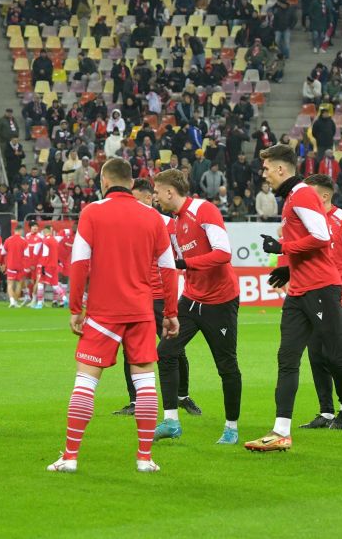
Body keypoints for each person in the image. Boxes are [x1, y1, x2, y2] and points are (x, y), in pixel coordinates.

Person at [244, 144, 342, 454]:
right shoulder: (294, 197)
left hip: (320, 289)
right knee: (287, 357)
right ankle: (281, 431)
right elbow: (311, 242)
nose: (264, 175)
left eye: (267, 169)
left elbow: (321, 237)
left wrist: (283, 249)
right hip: (300, 290)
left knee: (341, 355)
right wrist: (289, 268)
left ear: (280, 169)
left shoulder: (302, 194)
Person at [46, 158, 179, 474]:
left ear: (104, 182)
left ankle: (70, 456)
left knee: (85, 383)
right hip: (141, 312)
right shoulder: (153, 218)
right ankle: (145, 459)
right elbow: (168, 269)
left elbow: (79, 263)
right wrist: (171, 312)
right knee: (145, 383)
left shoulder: (92, 212)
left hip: (103, 313)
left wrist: (76, 308)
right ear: (132, 184)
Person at [150, 169, 242, 445]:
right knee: (165, 352)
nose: (155, 198)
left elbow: (224, 253)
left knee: (226, 366)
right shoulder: (174, 224)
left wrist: (187, 264)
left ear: (170, 191)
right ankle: (171, 421)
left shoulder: (204, 210)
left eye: (157, 192)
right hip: (191, 299)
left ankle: (231, 427)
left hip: (220, 301)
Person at [114, 179, 196, 417]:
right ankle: (135, 401)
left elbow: (176, 259)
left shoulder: (169, 224)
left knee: (174, 347)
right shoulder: (126, 224)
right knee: (131, 349)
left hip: (161, 295)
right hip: (135, 295)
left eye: (136, 199)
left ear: (150, 198)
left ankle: (183, 396)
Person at [297, 174, 342, 431]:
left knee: (336, 356)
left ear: (324, 195)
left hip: (336, 298)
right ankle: (326, 411)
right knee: (316, 356)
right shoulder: (306, 220)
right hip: (310, 296)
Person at [2, 223, 29, 308]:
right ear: (21, 231)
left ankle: (12, 301)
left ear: (14, 231)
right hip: (20, 265)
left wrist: (3, 264)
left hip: (11, 264)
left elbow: (3, 253)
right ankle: (16, 301)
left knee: (10, 284)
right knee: (18, 284)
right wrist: (26, 267)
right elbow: (27, 255)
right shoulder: (24, 241)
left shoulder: (8, 240)